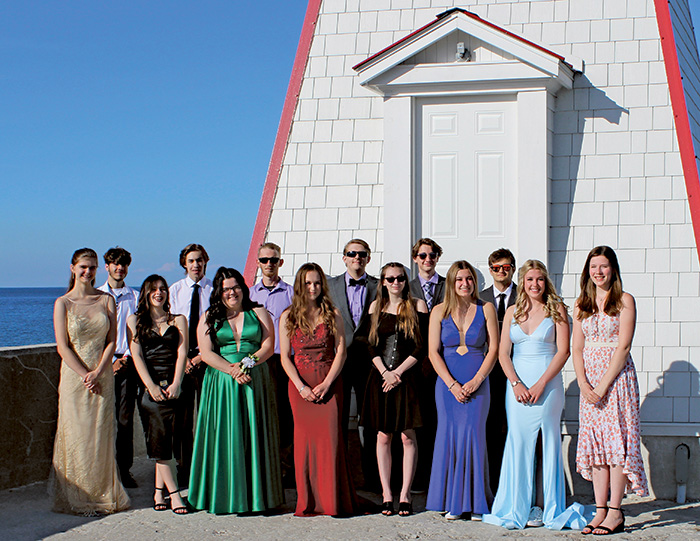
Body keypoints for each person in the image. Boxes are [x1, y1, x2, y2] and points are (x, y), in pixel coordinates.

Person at [484, 260, 584, 530]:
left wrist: (540, 384)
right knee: (518, 443)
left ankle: (544, 505)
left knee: (547, 444)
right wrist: (516, 383)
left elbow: (563, 351)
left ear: (545, 281)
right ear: (522, 283)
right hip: (516, 389)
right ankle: (518, 504)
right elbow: (503, 353)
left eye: (539, 279)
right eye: (529, 279)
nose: (535, 284)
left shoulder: (556, 309)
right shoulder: (513, 311)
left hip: (548, 386)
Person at [188, 267, 283, 514]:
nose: (232, 293)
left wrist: (246, 364)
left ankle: (258, 498)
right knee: (225, 435)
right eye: (226, 289)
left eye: (236, 287)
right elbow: (206, 353)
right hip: (221, 382)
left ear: (243, 288)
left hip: (255, 378)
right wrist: (233, 371)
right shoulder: (209, 316)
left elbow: (268, 346)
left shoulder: (259, 312)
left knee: (254, 433)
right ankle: (224, 495)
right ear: (218, 292)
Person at [573, 246, 648, 535]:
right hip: (589, 384)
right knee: (597, 446)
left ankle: (616, 512)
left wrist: (603, 385)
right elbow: (576, 348)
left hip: (617, 381)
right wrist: (583, 383)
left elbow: (624, 346)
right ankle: (600, 509)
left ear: (613, 269)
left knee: (616, 443)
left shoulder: (624, 300)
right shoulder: (581, 303)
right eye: (594, 267)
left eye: (603, 266)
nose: (598, 272)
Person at [51, 248, 130, 515]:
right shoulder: (63, 303)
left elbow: (112, 341)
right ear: (73, 268)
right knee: (76, 433)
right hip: (74, 379)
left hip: (102, 375)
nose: (88, 271)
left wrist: (97, 372)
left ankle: (101, 493)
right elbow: (63, 346)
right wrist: (85, 375)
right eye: (83, 266)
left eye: (92, 267)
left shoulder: (106, 300)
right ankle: (76, 496)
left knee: (100, 434)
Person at [279, 262, 357, 517]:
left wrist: (327, 383)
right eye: (307, 283)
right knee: (304, 444)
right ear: (300, 286)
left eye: (316, 283)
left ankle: (332, 501)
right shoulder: (288, 316)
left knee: (330, 441)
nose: (312, 288)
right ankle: (308, 501)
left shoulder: (333, 314)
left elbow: (341, 351)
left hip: (329, 383)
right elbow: (285, 358)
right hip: (299, 387)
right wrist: (301, 387)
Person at [426, 260, 499, 520]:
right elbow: (433, 353)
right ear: (451, 283)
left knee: (474, 437)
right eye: (459, 279)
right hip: (447, 386)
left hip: (478, 384)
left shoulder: (486, 308)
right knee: (449, 437)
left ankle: (477, 503)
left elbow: (494, 349)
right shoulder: (438, 311)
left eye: (469, 279)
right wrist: (452, 384)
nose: (464, 283)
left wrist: (477, 381)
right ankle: (451, 501)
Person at [362, 262, 428, 516]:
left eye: (400, 278)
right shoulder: (376, 307)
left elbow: (421, 346)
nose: (395, 283)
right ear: (383, 282)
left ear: (405, 280)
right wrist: (385, 372)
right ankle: (387, 494)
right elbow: (370, 344)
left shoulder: (417, 306)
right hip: (380, 378)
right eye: (390, 279)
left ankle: (405, 494)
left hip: (407, 378)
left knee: (407, 436)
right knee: (383, 436)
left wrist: (397, 373)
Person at [127, 275, 189, 514]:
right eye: (153, 289)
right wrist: (151, 386)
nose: (159, 293)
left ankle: (158, 492)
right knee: (161, 442)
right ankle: (175, 494)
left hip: (175, 387)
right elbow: (137, 355)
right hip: (150, 389)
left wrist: (177, 383)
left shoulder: (178, 320)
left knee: (167, 442)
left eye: (163, 289)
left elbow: (182, 353)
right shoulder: (134, 321)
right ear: (146, 293)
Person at [327, 239, 379, 489]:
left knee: (368, 420)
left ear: (368, 258)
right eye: (352, 253)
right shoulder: (330, 286)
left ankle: (371, 479)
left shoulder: (379, 286)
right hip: (338, 359)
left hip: (369, 360)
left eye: (362, 254)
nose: (357, 257)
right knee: (337, 417)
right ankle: (339, 478)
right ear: (344, 258)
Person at [168, 243, 213, 487]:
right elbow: (170, 328)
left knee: (207, 416)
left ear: (206, 262)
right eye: (191, 261)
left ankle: (207, 465)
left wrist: (201, 357)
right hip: (181, 362)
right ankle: (184, 466)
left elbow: (218, 328)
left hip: (208, 361)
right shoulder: (174, 291)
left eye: (200, 260)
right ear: (184, 264)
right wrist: (184, 358)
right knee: (182, 420)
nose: (196, 265)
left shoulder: (214, 290)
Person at [249, 242, 294, 484]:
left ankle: (285, 467)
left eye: (273, 260)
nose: (269, 264)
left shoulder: (291, 293)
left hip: (283, 360)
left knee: (284, 415)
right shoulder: (249, 295)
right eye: (265, 260)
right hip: (258, 361)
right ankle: (262, 466)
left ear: (280, 262)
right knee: (260, 413)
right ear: (258, 263)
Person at [97, 246, 140, 488]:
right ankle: (102, 470)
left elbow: (139, 333)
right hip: (102, 364)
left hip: (128, 364)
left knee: (125, 420)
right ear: (107, 266)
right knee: (101, 419)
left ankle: (124, 470)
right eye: (115, 263)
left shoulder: (135, 297)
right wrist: (108, 360)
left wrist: (125, 359)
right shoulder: (97, 296)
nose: (119, 268)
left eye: (123, 264)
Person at [408, 238, 445, 491]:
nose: (427, 260)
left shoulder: (449, 285)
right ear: (415, 259)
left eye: (432, 255)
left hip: (444, 361)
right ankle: (420, 478)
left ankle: (440, 476)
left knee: (439, 420)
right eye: (422, 255)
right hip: (415, 363)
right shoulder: (407, 287)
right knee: (419, 421)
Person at [479, 248, 516, 496]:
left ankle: (514, 485)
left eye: (506, 267)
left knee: (513, 427)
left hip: (517, 370)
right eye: (496, 268)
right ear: (490, 270)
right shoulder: (480, 298)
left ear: (513, 268)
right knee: (491, 428)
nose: (501, 271)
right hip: (489, 371)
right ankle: (491, 485)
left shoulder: (525, 296)